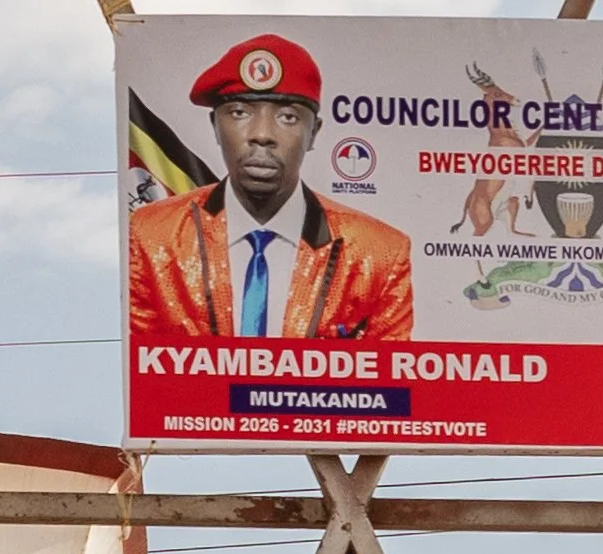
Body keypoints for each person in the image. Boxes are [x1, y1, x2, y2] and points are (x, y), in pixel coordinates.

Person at [128, 33, 412, 346]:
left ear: (313, 132)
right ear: (214, 126)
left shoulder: (379, 253)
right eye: (239, 113)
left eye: (287, 117)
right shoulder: (151, 236)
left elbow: (388, 388)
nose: (262, 134)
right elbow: (140, 377)